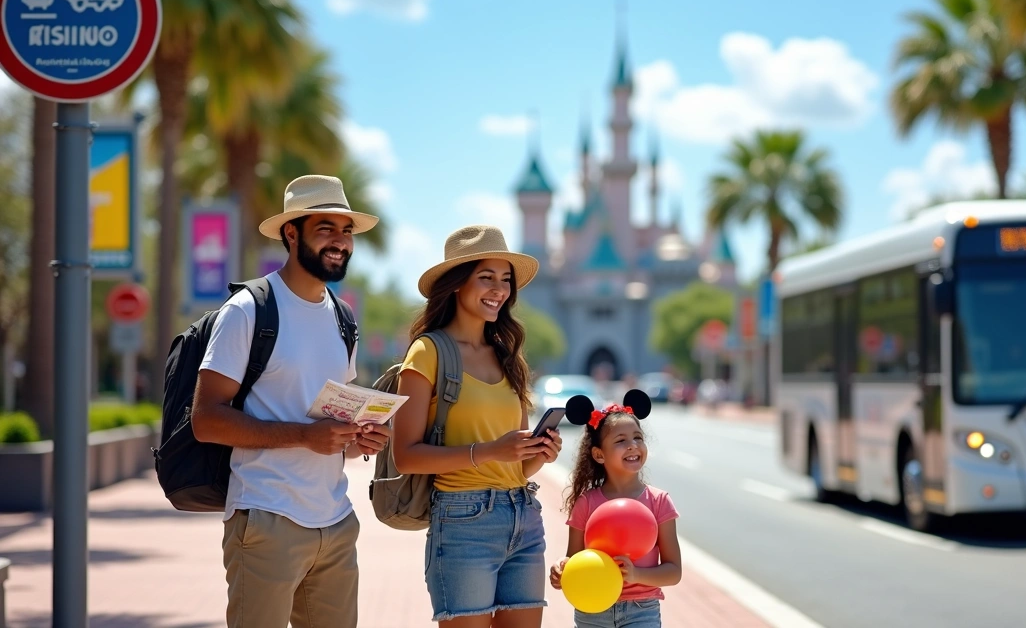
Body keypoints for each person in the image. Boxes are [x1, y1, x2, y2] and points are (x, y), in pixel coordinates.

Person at [191, 174, 390, 628]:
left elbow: (330, 427)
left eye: (346, 231)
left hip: (335, 522)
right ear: (291, 232)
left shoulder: (343, 318)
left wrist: (359, 438)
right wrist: (305, 436)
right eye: (326, 229)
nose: (340, 241)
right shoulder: (248, 310)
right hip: (267, 518)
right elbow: (206, 420)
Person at [393, 224, 563, 627]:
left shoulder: (508, 356)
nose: (499, 290)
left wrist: (539, 453)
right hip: (462, 522)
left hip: (523, 517)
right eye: (486, 277)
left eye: (505, 280)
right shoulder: (428, 352)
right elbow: (405, 456)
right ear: (456, 283)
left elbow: (515, 467)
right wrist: (490, 450)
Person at [549, 403, 682, 627]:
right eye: (621, 441)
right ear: (599, 454)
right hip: (592, 609)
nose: (632, 445)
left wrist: (636, 574)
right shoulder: (586, 502)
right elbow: (574, 558)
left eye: (638, 437)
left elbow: (674, 571)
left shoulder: (659, 501)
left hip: (641, 611)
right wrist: (562, 569)